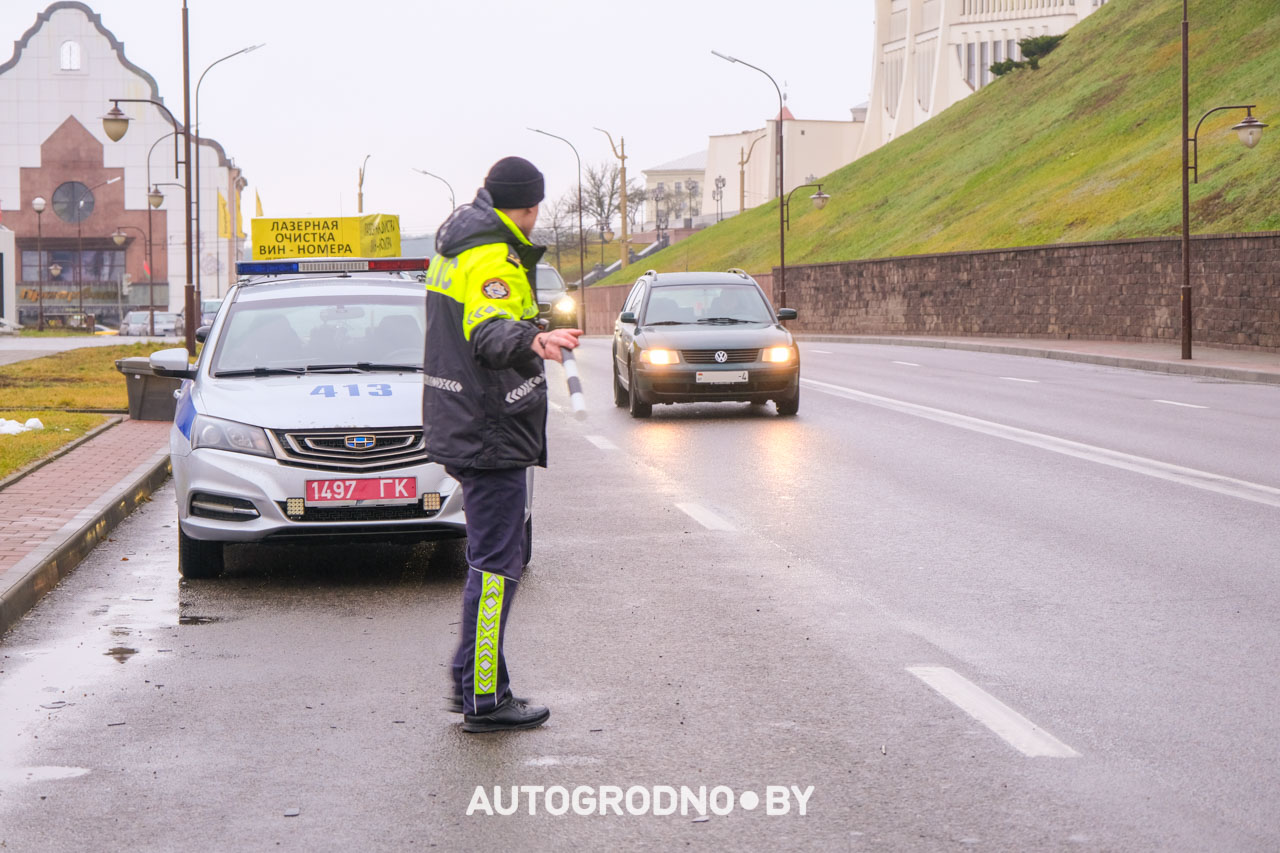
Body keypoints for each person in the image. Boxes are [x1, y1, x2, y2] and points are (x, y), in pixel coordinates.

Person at [422, 156, 582, 733]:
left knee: (492, 559)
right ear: (531, 207)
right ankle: (484, 700)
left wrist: (531, 331)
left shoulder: (457, 246)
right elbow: (490, 334)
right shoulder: (495, 255)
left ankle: (473, 677)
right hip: (488, 427)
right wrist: (535, 339)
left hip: (462, 419)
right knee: (496, 567)